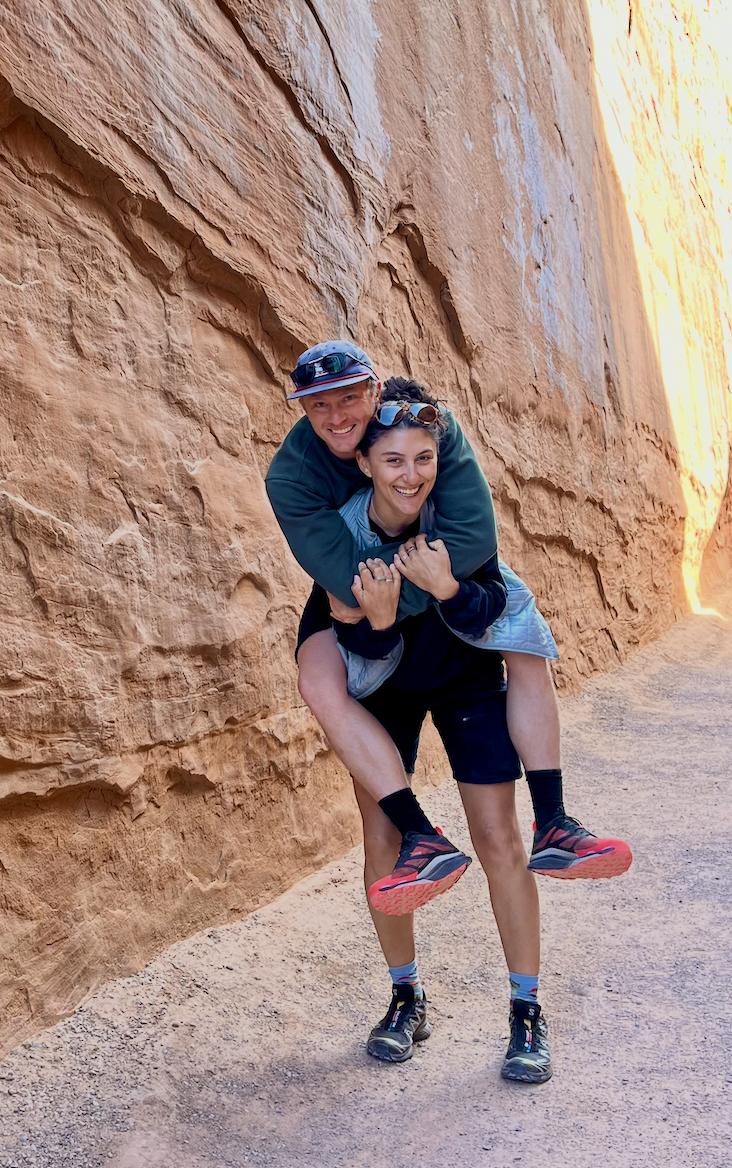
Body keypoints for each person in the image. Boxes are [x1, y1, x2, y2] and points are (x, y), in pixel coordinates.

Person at [265, 341, 632, 908]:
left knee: (521, 627)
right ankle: (418, 833)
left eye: (348, 398)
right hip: (366, 578)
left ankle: (554, 820)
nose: (336, 417)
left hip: (439, 565)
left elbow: (477, 537)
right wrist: (383, 601)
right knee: (316, 681)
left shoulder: (428, 425)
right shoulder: (291, 476)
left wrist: (432, 585)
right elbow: (343, 575)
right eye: (318, 406)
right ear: (305, 411)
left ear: (375, 390)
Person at [328, 379, 551, 1080]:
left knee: (496, 836)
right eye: (393, 460)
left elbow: (492, 601)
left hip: (468, 679)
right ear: (366, 462)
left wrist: (448, 586)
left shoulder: (459, 517)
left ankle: (527, 1009)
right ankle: (405, 996)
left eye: (423, 458)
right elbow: (354, 650)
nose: (411, 475)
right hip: (385, 690)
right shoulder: (345, 535)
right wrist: (383, 618)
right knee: (383, 839)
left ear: (439, 455)